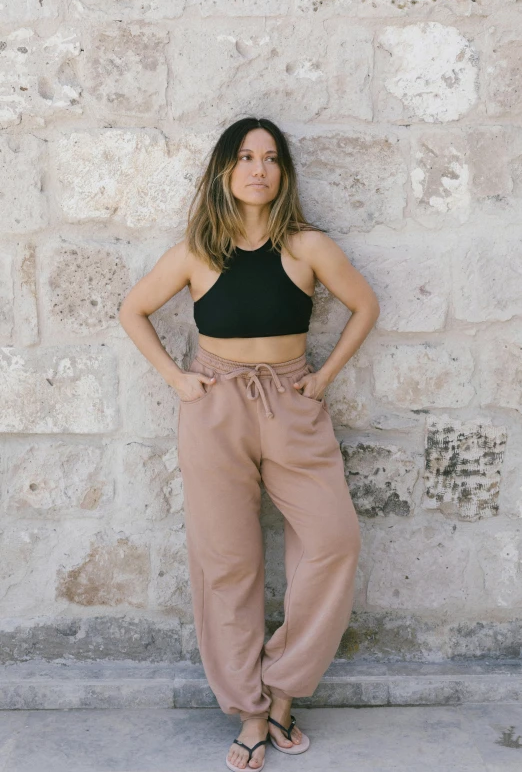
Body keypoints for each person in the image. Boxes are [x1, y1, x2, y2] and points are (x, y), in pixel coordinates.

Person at [119, 116, 380, 771]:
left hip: (291, 403)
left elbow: (365, 305)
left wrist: (322, 378)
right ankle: (251, 710)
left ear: (283, 173)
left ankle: (284, 687)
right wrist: (178, 378)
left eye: (270, 158)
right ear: (225, 170)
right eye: (245, 157)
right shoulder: (196, 252)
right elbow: (133, 309)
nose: (258, 168)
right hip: (215, 410)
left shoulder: (307, 246)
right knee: (227, 561)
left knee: (332, 538)